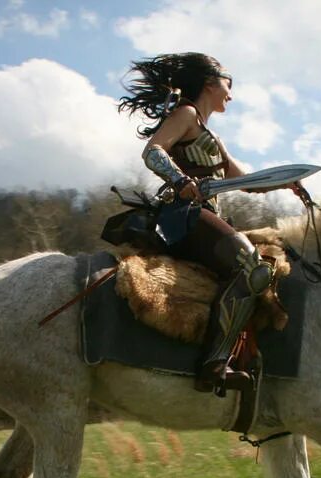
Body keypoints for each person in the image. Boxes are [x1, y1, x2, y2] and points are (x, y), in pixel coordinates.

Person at [118, 52, 289, 395]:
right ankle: (214, 364)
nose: (231, 93)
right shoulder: (186, 114)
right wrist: (181, 181)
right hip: (185, 217)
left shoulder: (213, 141)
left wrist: (288, 181)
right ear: (210, 83)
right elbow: (153, 152)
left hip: (206, 217)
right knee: (253, 268)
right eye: (229, 84)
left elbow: (250, 182)